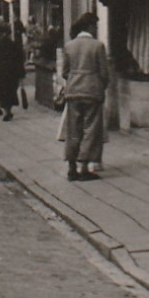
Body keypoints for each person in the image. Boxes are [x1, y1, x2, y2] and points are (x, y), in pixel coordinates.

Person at [57, 12, 111, 181]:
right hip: (92, 91)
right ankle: (85, 167)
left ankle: (72, 167)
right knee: (90, 129)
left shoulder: (69, 46)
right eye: (94, 26)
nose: (95, 29)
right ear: (89, 26)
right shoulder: (98, 46)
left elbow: (65, 72)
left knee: (73, 129)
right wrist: (100, 86)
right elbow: (104, 73)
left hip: (73, 92)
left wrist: (74, 80)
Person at [0, 23, 25, 121]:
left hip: (1, 70)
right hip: (12, 71)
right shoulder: (14, 45)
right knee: (11, 90)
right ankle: (8, 111)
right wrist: (21, 73)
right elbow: (20, 59)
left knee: (2, 91)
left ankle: (7, 111)